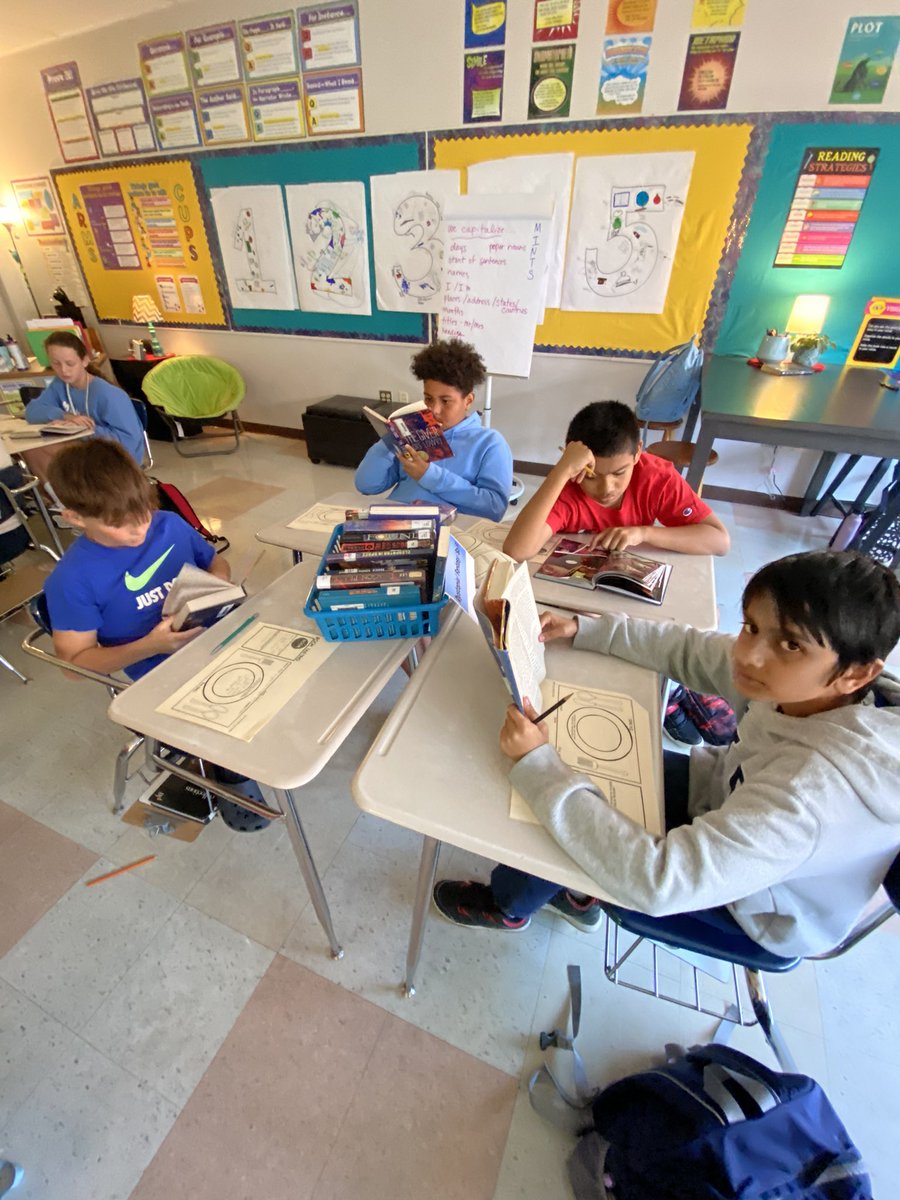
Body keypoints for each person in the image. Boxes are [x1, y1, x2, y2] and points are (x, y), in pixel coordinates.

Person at [433, 550, 900, 960]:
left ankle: (510, 907)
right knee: (577, 780)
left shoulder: (808, 798)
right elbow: (691, 648)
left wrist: (538, 766)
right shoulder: (807, 686)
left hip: (754, 909)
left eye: (791, 644)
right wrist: (587, 629)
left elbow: (658, 882)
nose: (750, 655)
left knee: (551, 802)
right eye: (751, 627)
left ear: (857, 674)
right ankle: (571, 895)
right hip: (722, 802)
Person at [43, 438, 268, 832]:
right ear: (74, 517)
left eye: (143, 510)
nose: (139, 529)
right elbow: (75, 667)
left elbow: (217, 562)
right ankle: (221, 771)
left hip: (213, 633)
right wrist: (152, 644)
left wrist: (216, 586)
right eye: (117, 522)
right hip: (156, 668)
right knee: (228, 713)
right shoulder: (72, 579)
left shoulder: (170, 525)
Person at [502, 400, 730, 561]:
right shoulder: (569, 485)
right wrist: (562, 469)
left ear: (638, 452)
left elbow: (720, 542)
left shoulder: (656, 478)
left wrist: (643, 533)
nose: (607, 488)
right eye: (592, 476)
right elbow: (517, 550)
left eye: (620, 473)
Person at [354, 338, 512, 520]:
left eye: (445, 401)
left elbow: (494, 508)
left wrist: (428, 475)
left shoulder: (489, 443)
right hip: (396, 522)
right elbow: (366, 486)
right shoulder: (414, 432)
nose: (434, 410)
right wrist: (389, 440)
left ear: (468, 400)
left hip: (446, 531)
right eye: (428, 399)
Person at [22, 331, 145, 481]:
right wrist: (65, 416)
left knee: (40, 450)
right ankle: (60, 499)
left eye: (70, 364)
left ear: (85, 361)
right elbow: (32, 412)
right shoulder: (60, 384)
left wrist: (81, 429)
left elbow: (129, 443)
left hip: (116, 457)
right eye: (56, 364)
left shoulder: (109, 394)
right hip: (86, 448)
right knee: (31, 450)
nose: (63, 370)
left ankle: (71, 498)